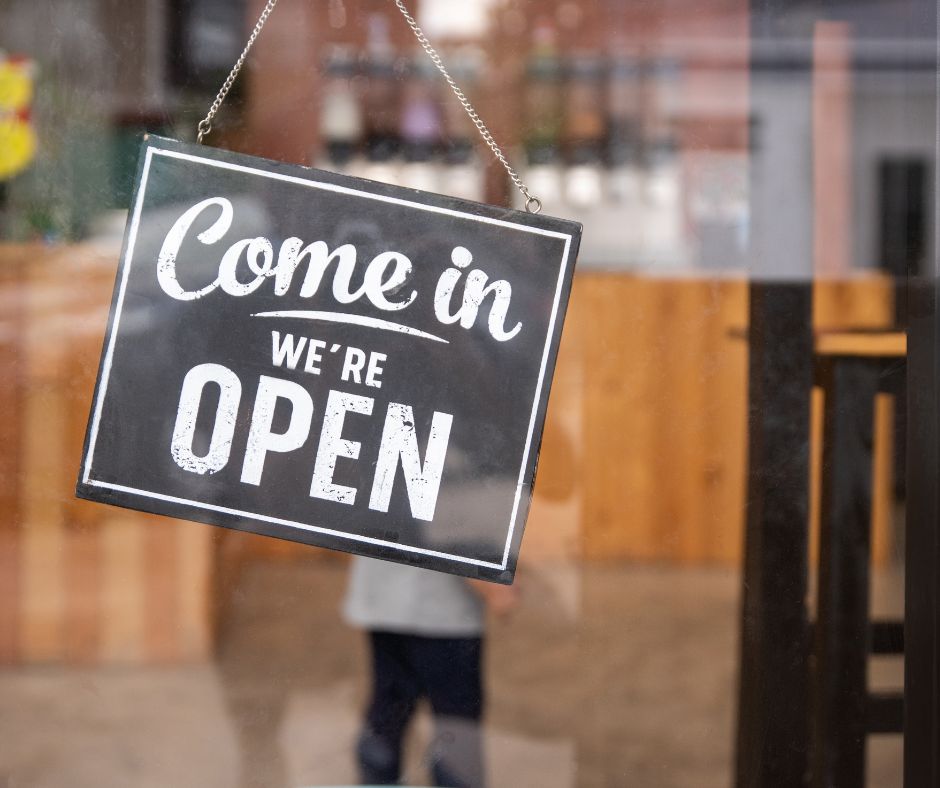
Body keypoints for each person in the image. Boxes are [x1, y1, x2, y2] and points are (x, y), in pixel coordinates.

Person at [343, 556, 517, 787]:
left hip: (386, 594)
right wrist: (492, 582)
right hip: (442, 606)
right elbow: (442, 523)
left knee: (390, 708)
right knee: (455, 727)